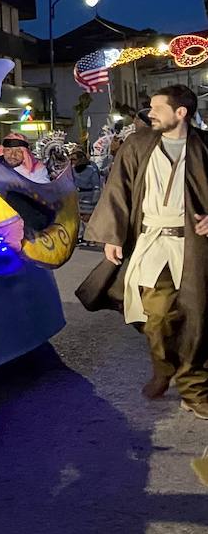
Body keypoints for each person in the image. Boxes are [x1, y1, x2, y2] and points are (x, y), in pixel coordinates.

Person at [84, 85, 208, 419]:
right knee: (157, 319)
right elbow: (118, 188)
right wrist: (111, 235)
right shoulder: (137, 144)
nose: (149, 113)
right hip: (153, 243)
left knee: (196, 319)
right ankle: (164, 368)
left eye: (157, 108)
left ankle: (193, 388)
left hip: (195, 248)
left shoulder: (204, 146)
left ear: (180, 112)